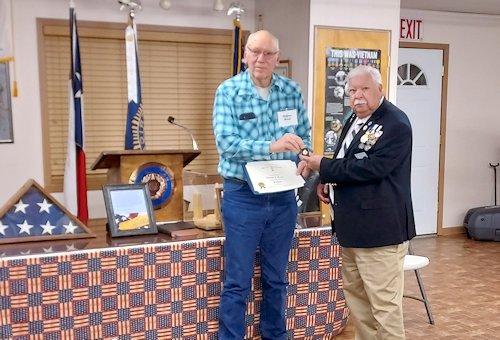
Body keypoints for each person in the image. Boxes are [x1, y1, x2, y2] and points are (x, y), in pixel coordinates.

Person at [297, 65, 416, 340]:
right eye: (352, 91)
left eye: (364, 89)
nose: (357, 96)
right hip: (352, 230)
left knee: (384, 309)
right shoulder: (355, 118)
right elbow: (348, 159)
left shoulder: (395, 123)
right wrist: (328, 180)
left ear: (380, 89)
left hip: (380, 233)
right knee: (358, 305)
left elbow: (372, 169)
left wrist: (324, 166)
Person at [212, 30, 311, 340]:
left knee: (276, 279)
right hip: (243, 196)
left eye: (268, 53)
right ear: (245, 55)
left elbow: (304, 136)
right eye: (255, 51)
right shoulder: (228, 91)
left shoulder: (291, 91)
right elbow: (226, 143)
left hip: (283, 197)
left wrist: (304, 159)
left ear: (277, 58)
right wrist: (273, 145)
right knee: (238, 281)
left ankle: (275, 336)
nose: (261, 58)